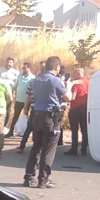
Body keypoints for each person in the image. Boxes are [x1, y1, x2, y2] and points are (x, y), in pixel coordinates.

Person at [23, 56, 67, 188]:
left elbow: (30, 95)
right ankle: (43, 179)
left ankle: (29, 177)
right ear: (57, 67)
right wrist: (69, 86)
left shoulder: (36, 79)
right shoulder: (55, 80)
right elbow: (68, 97)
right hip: (50, 117)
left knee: (36, 147)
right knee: (48, 149)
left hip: (36, 115)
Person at [63, 66, 90, 156]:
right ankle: (84, 149)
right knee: (84, 129)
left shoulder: (76, 84)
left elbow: (73, 97)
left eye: (74, 73)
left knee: (74, 129)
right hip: (85, 108)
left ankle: (74, 148)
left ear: (78, 74)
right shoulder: (89, 82)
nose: (73, 75)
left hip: (75, 109)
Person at [8, 61, 34, 138]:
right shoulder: (19, 76)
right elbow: (15, 85)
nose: (23, 69)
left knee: (25, 116)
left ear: (29, 68)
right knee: (15, 116)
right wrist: (16, 94)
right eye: (22, 68)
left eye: (25, 68)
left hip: (27, 100)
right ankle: (11, 131)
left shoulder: (32, 78)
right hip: (19, 99)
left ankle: (24, 132)